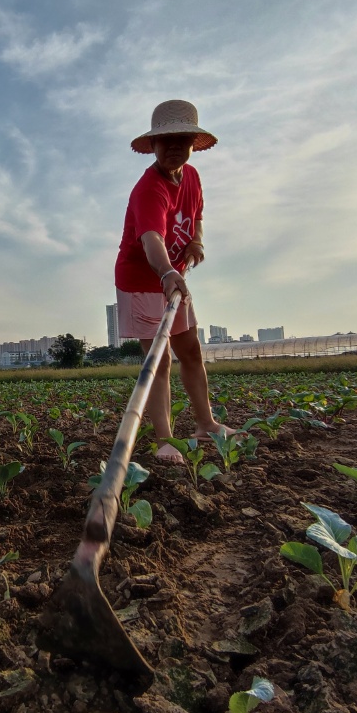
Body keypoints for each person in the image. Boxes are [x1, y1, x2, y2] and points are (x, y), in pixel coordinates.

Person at [115, 99, 233, 464]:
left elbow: (197, 214)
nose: (173, 148)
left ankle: (206, 423)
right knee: (159, 360)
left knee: (191, 350)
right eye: (165, 141)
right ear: (152, 146)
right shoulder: (149, 189)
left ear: (192, 145)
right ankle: (165, 440)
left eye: (181, 140)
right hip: (143, 279)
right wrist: (167, 273)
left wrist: (196, 240)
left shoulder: (192, 177)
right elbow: (152, 239)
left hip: (173, 277)